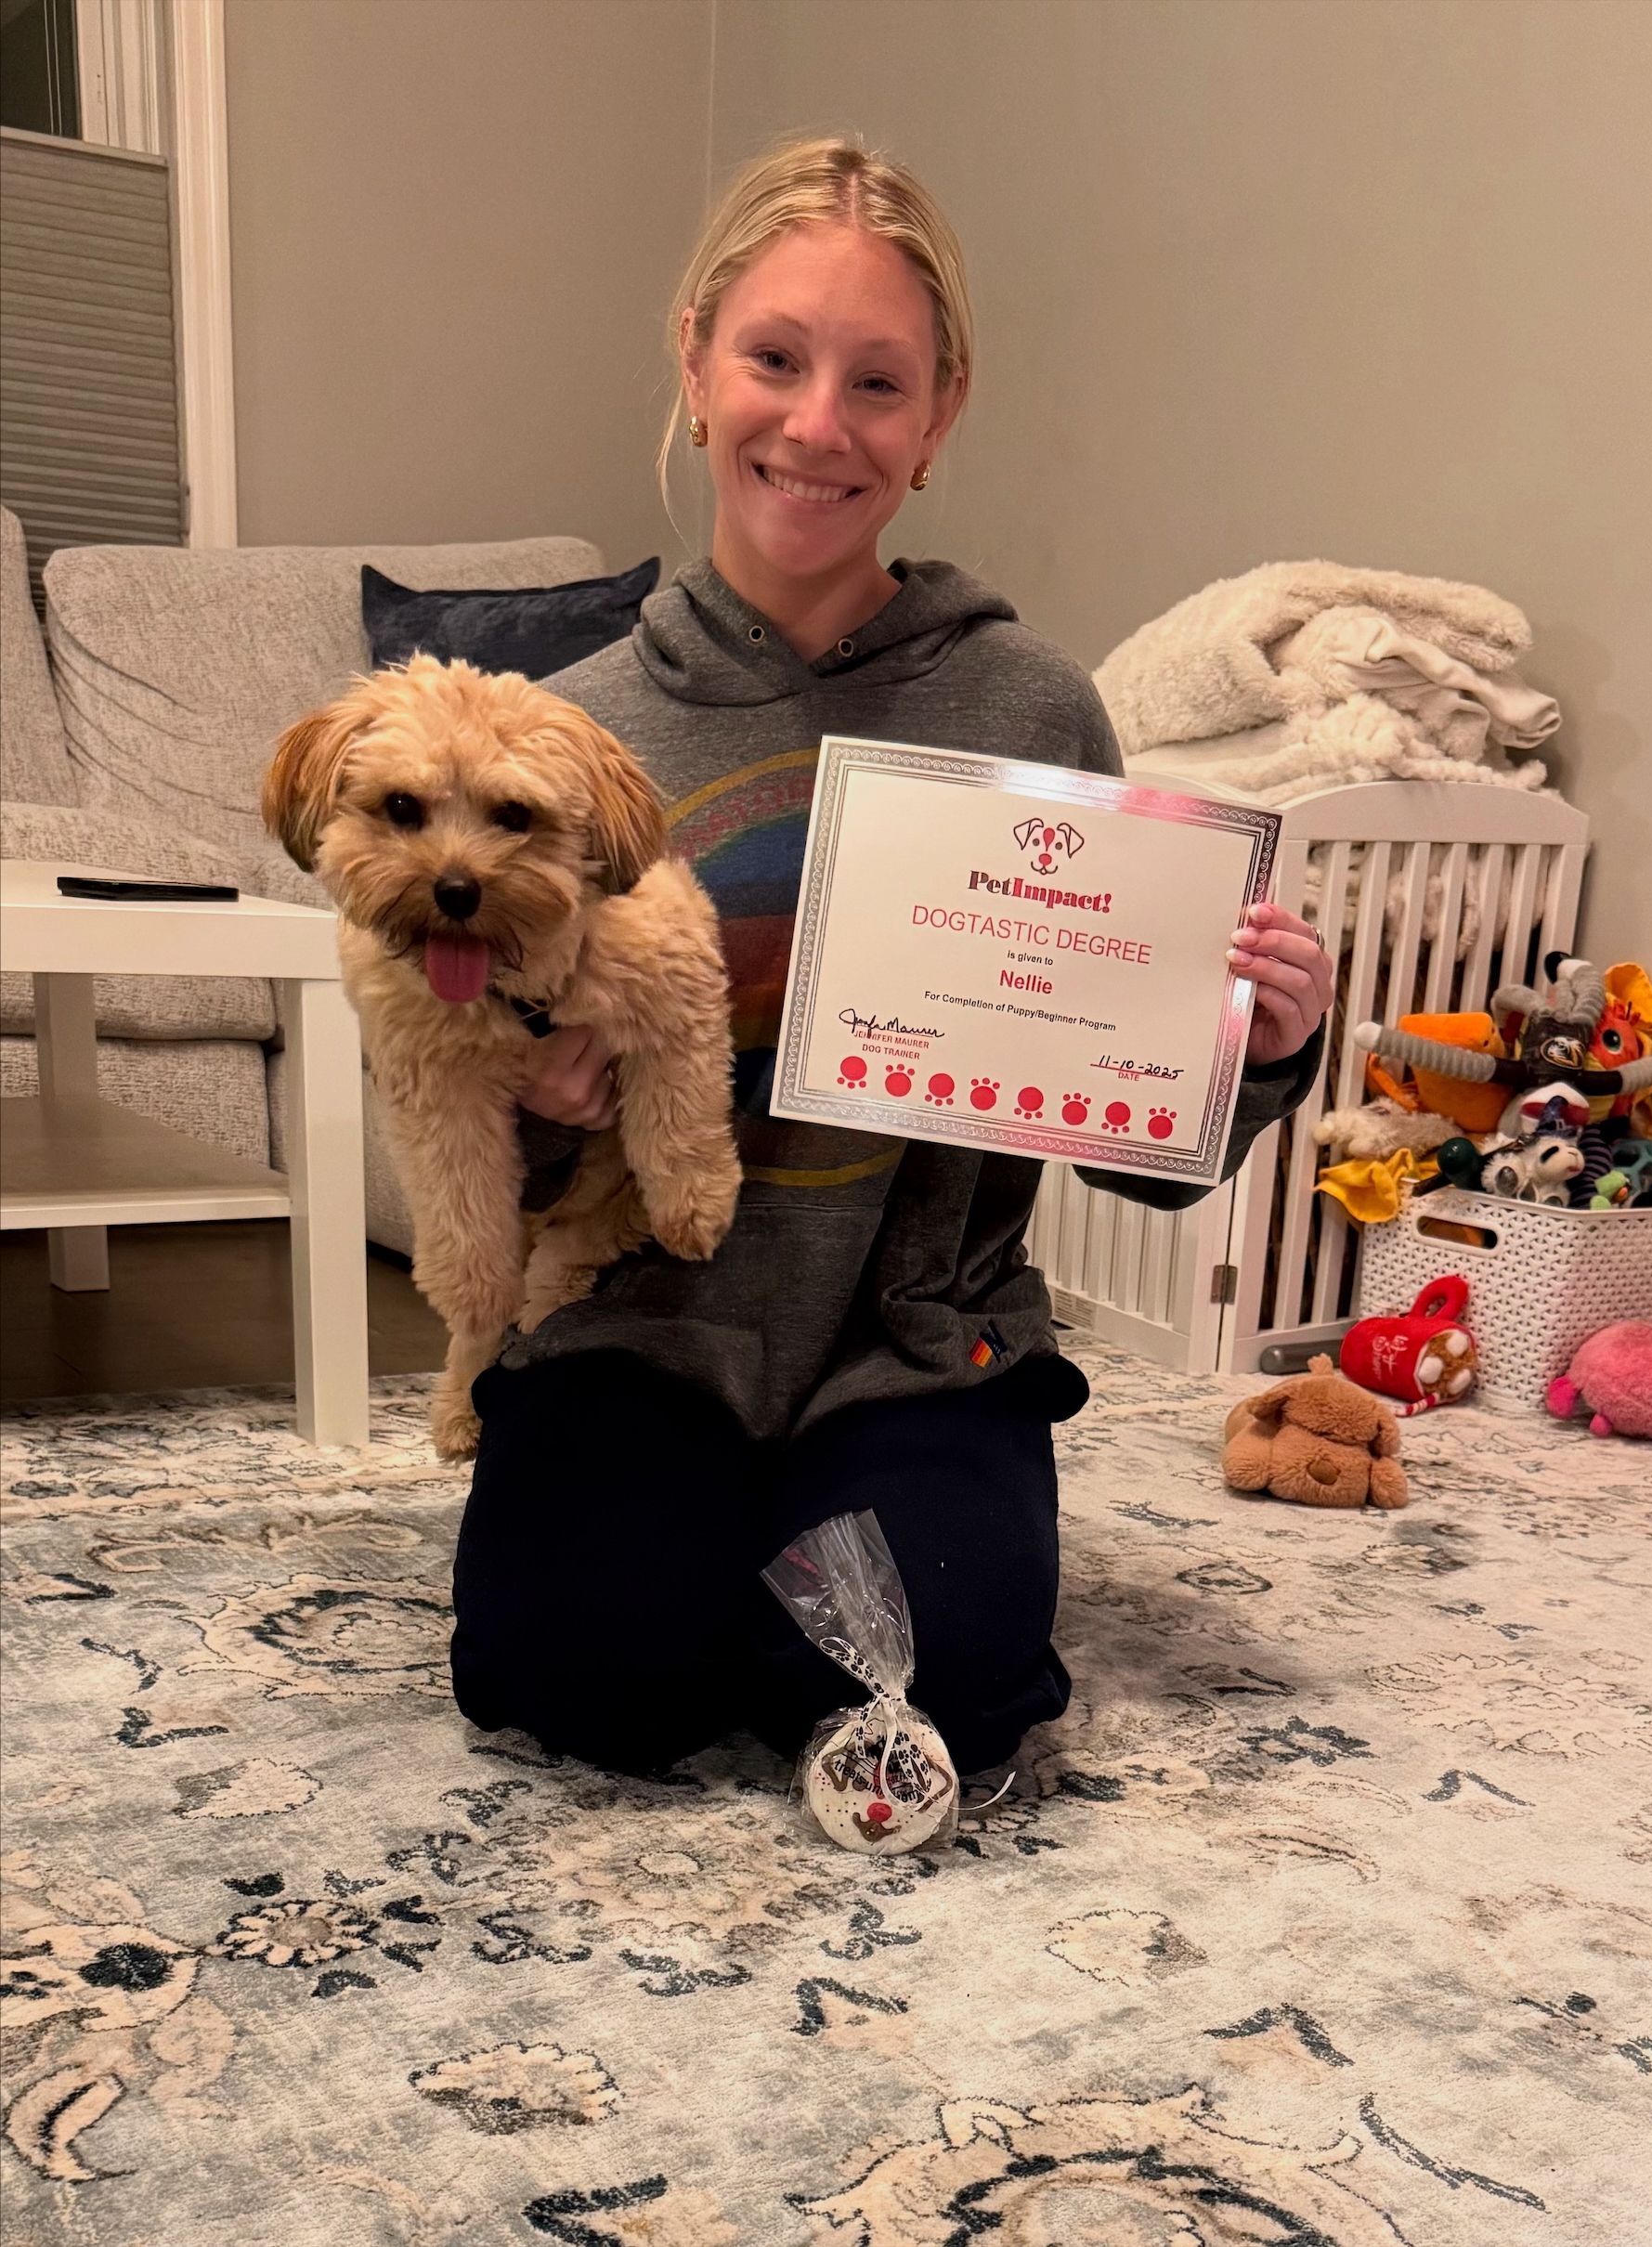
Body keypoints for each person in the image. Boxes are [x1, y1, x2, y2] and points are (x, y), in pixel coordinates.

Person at [449, 136, 1333, 1780]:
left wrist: (1258, 1043)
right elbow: (482, 1153)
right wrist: (548, 1109)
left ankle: (814, 1545)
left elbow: (1135, 1160)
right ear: (697, 362)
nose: (816, 424)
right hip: (647, 1321)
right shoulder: (561, 740)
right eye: (775, 360)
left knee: (957, 1684)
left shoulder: (1032, 712)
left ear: (939, 421)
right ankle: (697, 1544)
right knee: (569, 1677)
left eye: (879, 382)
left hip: (919, 1341)